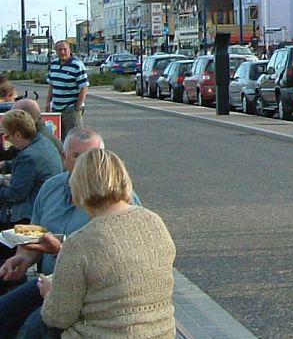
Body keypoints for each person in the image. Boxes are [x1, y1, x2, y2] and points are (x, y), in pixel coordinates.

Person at [0, 127, 141, 337]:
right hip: (49, 281)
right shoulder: (51, 188)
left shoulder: (117, 199)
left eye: (92, 156)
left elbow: (120, 262)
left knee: (32, 328)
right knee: (4, 310)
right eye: (78, 156)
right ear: (65, 158)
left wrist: (61, 250)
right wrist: (23, 259)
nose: (86, 164)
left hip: (89, 291)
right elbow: (36, 237)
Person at [36, 148, 174, 337]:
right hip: (160, 332)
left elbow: (58, 317)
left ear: (77, 186)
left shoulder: (80, 242)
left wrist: (48, 295)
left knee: (31, 325)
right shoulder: (154, 222)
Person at [0, 110, 61, 262]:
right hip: (46, 204)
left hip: (29, 213)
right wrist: (4, 165)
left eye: (7, 136)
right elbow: (27, 169)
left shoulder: (28, 157)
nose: (6, 140)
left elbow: (16, 194)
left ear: (18, 135)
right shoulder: (42, 142)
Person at [46, 41, 89, 139]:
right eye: (59, 50)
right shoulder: (53, 64)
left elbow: (84, 88)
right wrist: (48, 102)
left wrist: (77, 107)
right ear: (56, 51)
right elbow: (51, 85)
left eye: (64, 49)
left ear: (69, 50)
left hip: (71, 108)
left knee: (74, 137)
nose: (62, 52)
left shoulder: (77, 65)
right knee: (58, 137)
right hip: (56, 108)